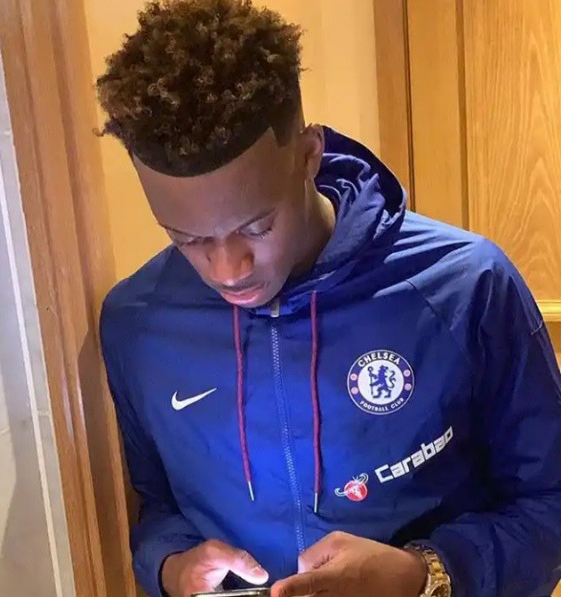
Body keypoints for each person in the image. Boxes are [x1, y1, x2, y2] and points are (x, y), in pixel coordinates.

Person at [96, 1, 561, 596]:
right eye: (188, 239)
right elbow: (156, 508)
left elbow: (549, 504)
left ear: (309, 155)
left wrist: (422, 575)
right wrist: (171, 567)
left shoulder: (465, 285)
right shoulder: (137, 324)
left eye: (257, 226)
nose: (228, 269)